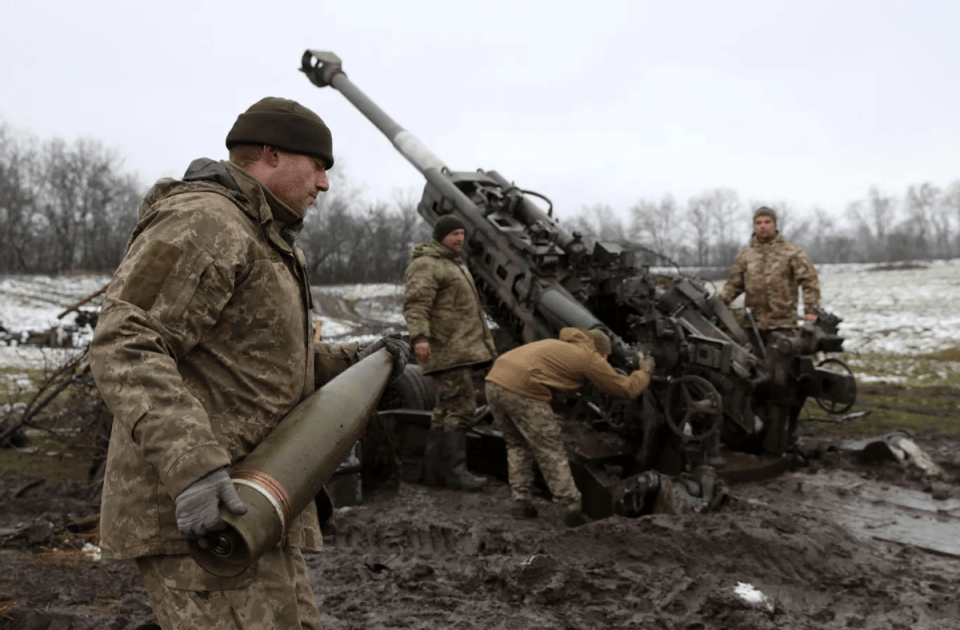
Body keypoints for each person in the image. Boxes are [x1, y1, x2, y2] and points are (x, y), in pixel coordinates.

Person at [89, 97, 408, 629]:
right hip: (204, 512)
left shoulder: (264, 238)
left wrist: (363, 361)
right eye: (319, 166)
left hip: (257, 503)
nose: (324, 184)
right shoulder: (204, 221)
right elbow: (126, 341)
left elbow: (264, 367)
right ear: (271, 155)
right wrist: (193, 466)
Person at [484, 328, 655, 527]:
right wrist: (645, 371)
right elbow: (626, 389)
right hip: (523, 389)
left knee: (517, 445)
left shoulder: (561, 348)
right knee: (551, 451)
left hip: (495, 380)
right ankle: (571, 510)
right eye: (606, 358)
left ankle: (521, 502)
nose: (606, 363)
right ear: (602, 352)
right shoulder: (589, 357)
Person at [403, 214, 498, 490]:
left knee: (445, 410)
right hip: (448, 349)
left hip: (460, 348)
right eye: (454, 234)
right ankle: (456, 473)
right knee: (462, 407)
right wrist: (419, 337)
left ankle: (436, 473)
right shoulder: (427, 265)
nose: (459, 239)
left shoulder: (454, 265)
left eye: (462, 234)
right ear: (441, 236)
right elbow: (416, 305)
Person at [718, 206, 821, 337]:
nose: (763, 226)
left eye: (767, 222)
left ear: (775, 225)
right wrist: (715, 305)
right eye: (758, 223)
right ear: (754, 226)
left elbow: (809, 281)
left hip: (783, 324)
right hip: (752, 325)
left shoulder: (792, 252)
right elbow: (733, 287)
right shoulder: (746, 256)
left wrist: (811, 311)